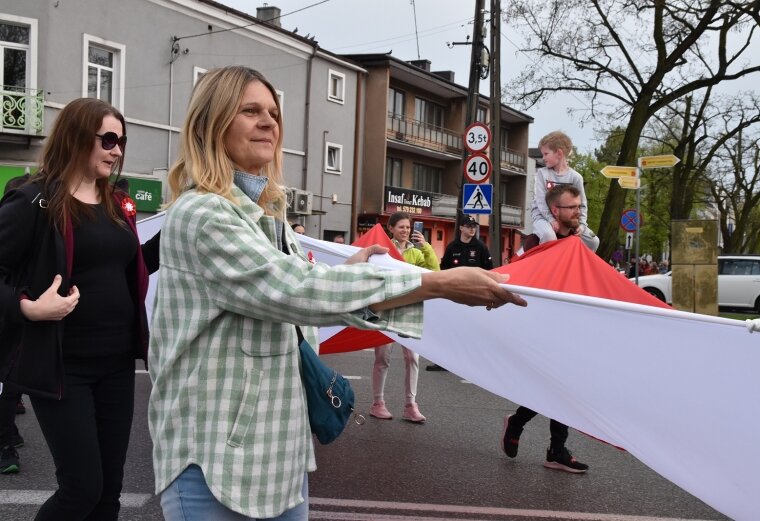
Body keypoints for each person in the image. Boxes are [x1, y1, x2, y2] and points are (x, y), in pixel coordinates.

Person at [147, 65, 525, 521]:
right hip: (214, 464)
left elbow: (291, 302)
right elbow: (294, 289)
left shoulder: (266, 216)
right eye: (250, 111)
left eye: (273, 111)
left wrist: (344, 276)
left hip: (279, 458)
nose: (269, 121)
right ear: (211, 123)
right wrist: (438, 283)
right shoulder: (204, 213)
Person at [0, 98, 160, 519]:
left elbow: (131, 263)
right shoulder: (36, 199)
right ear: (75, 138)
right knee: (81, 489)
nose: (117, 150)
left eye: (122, 140)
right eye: (108, 139)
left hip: (117, 366)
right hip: (63, 367)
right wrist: (28, 308)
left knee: (109, 493)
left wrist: (180, 229)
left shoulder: (115, 202)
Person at [500, 184, 589, 474]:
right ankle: (551, 446)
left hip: (570, 323)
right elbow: (516, 272)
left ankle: (532, 431)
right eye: (571, 207)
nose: (578, 212)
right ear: (555, 210)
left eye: (579, 206)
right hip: (539, 322)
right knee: (557, 385)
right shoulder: (537, 239)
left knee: (560, 386)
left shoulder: (580, 240)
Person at [370, 212, 440, 423]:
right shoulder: (383, 250)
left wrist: (426, 247)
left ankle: (411, 405)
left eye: (408, 227)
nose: (405, 231)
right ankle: (377, 403)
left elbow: (434, 272)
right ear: (390, 228)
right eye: (401, 227)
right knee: (382, 357)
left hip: (409, 308)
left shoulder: (416, 252)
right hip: (386, 308)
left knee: (412, 357)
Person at [427, 214, 493, 371]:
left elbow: (490, 271)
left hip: (474, 295)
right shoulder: (452, 247)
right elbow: (444, 271)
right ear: (461, 228)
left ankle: (472, 362)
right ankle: (444, 361)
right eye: (468, 226)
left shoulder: (481, 248)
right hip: (454, 295)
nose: (472, 229)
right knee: (449, 329)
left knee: (472, 329)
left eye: (473, 226)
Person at [0, 173, 31, 475]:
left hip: (18, 317)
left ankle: (8, 436)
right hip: (10, 313)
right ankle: (5, 442)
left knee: (10, 381)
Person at [530, 131, 599, 251]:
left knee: (593, 241)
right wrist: (551, 220)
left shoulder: (575, 177)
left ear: (559, 153)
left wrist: (581, 225)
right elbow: (541, 201)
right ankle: (549, 265)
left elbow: (582, 204)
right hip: (542, 217)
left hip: (567, 219)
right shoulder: (542, 173)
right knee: (549, 236)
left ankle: (579, 266)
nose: (543, 158)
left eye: (546, 154)